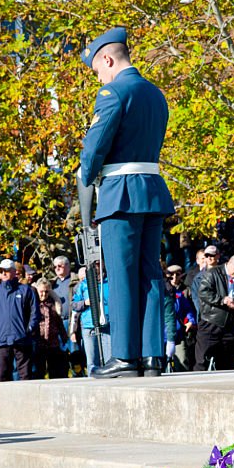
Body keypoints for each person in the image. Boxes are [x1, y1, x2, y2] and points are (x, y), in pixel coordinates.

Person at [79, 26, 174, 378]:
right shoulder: (155, 94)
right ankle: (152, 355)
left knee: (120, 275)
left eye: (98, 69)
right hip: (151, 187)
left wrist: (86, 178)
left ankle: (123, 356)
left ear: (107, 58)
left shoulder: (113, 93)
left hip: (120, 192)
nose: (99, 77)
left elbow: (93, 150)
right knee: (150, 274)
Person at [0, 259, 40, 382]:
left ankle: (26, 401)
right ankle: (5, 402)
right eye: (1, 271)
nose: (4, 273)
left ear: (14, 272)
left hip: (22, 339)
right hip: (1, 340)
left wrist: (29, 329)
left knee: (25, 375)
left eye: (7, 271)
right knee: (2, 376)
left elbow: (34, 313)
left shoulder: (26, 290)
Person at [195, 254, 234, 371]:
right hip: (211, 321)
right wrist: (222, 300)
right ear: (229, 263)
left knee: (229, 362)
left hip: (231, 324)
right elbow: (203, 292)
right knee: (202, 360)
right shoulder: (212, 273)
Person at [72, 264, 111, 375]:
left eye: (99, 265)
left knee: (109, 359)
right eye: (95, 265)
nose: (97, 268)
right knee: (92, 361)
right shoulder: (83, 285)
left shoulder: (110, 282)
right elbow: (74, 305)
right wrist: (84, 303)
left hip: (107, 325)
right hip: (89, 326)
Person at [33, 278, 70, 379]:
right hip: (39, 343)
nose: (44, 294)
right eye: (41, 292)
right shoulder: (33, 304)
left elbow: (59, 324)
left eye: (46, 292)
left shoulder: (54, 304)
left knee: (55, 371)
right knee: (39, 371)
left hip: (53, 343)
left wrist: (64, 338)